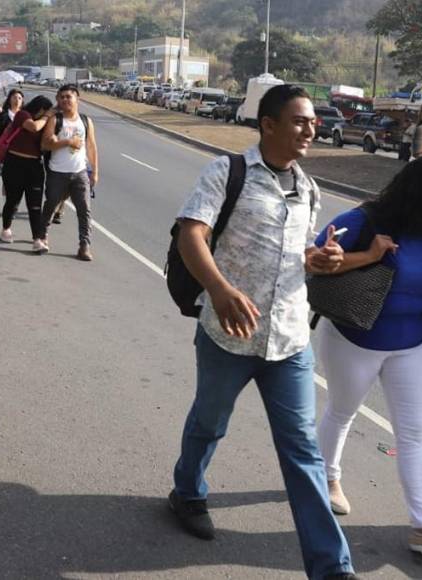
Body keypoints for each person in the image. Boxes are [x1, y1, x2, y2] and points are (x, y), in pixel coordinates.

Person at [168, 84, 356, 580]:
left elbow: (298, 259)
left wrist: (320, 261)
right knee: (209, 422)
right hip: (228, 335)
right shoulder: (225, 173)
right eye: (299, 121)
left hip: (290, 340)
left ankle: (332, 568)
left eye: (313, 122)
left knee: (302, 453)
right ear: (267, 125)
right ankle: (187, 492)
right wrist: (221, 289)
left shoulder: (309, 188)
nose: (311, 129)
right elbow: (192, 233)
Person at [312, 157, 422, 553]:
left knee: (414, 434)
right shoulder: (366, 219)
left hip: (411, 345)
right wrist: (367, 256)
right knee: (341, 410)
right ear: (413, 192)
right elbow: (316, 259)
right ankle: (326, 477)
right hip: (356, 338)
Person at [41, 84, 99, 261]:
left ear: (77, 99)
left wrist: (94, 172)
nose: (65, 99)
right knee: (50, 205)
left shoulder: (85, 121)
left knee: (84, 210)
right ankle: (42, 237)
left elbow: (91, 147)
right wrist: (66, 142)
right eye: (62, 97)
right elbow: (45, 144)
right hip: (57, 172)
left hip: (79, 172)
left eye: (69, 96)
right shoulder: (55, 120)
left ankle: (84, 245)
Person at [0, 95, 53, 250]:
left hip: (35, 166)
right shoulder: (23, 115)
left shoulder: (46, 122)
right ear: (41, 109)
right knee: (12, 201)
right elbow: (33, 127)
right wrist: (48, 116)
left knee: (35, 205)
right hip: (15, 163)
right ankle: (6, 228)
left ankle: (37, 239)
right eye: (45, 112)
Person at [0, 89, 25, 197]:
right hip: (6, 151)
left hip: (21, 151)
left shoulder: (26, 117)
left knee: (18, 180)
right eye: (14, 97)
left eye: (19, 98)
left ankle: (13, 201)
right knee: (7, 179)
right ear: (9, 99)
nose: (17, 100)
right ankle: (8, 202)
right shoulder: (3, 115)